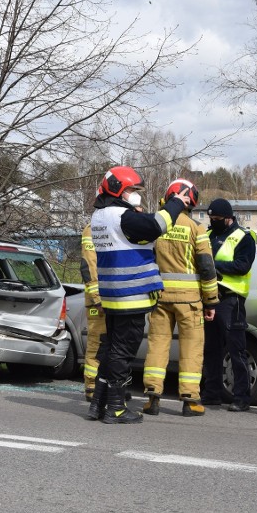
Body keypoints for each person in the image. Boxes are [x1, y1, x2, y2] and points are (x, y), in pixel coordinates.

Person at [86, 166, 192, 424]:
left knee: (111, 350)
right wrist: (177, 201)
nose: (136, 195)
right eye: (133, 190)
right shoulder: (122, 216)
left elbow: (136, 238)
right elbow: (159, 224)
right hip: (130, 295)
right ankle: (115, 409)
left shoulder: (100, 216)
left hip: (112, 295)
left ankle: (98, 403)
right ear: (118, 189)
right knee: (123, 352)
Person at [142, 179, 219, 417]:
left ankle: (152, 396)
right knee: (191, 349)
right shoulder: (197, 229)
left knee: (157, 345)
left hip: (160, 298)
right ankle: (190, 400)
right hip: (189, 301)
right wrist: (211, 300)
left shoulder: (155, 225)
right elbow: (206, 267)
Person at [201, 198, 257, 412]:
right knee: (211, 348)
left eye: (217, 219)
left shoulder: (243, 237)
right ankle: (212, 393)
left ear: (228, 218)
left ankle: (242, 397)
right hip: (209, 298)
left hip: (230, 300)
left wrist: (213, 266)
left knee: (236, 349)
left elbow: (242, 266)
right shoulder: (207, 235)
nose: (213, 221)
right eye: (211, 218)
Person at [80, 222, 106, 405]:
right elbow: (88, 266)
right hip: (97, 300)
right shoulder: (93, 228)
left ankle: (108, 387)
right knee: (96, 344)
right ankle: (91, 387)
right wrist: (97, 297)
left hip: (111, 297)